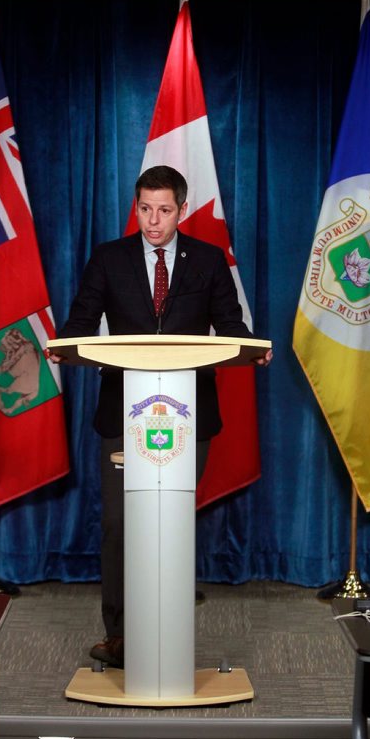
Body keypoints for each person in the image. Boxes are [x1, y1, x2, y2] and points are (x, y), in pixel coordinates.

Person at [49, 165, 272, 668]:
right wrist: (63, 347)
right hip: (121, 413)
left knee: (169, 521)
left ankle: (168, 627)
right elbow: (81, 322)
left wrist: (252, 350)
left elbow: (231, 325)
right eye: (145, 209)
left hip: (187, 415)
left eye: (164, 210)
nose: (153, 220)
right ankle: (120, 636)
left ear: (181, 210)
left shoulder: (209, 261)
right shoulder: (109, 258)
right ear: (137, 205)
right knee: (118, 524)